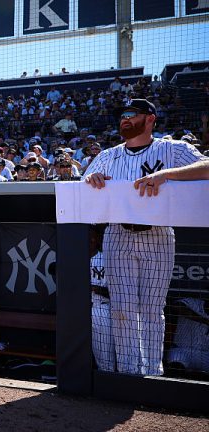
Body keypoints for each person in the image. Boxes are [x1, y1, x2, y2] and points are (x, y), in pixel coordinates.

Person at [83, 99, 207, 376]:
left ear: (150, 118)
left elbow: (207, 167)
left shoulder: (172, 149)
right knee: (122, 309)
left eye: (131, 114)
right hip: (118, 234)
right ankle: (128, 373)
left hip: (158, 234)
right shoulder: (108, 155)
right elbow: (83, 186)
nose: (124, 119)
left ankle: (152, 373)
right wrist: (91, 181)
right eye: (121, 116)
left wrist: (167, 175)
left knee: (152, 310)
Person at [89, 226, 115, 372]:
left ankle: (107, 385)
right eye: (88, 236)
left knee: (105, 358)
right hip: (79, 310)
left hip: (101, 309)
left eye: (93, 237)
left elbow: (118, 292)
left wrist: (94, 288)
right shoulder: (74, 259)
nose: (91, 240)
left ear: (98, 239)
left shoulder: (106, 260)